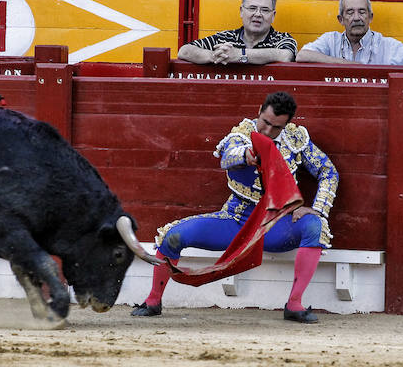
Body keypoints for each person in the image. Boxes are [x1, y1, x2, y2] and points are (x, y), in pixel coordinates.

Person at [129, 90, 338, 324]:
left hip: (276, 224)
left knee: (315, 226)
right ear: (259, 111)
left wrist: (318, 208)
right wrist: (246, 155)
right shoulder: (242, 135)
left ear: (287, 124)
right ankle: (153, 300)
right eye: (265, 123)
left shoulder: (296, 139)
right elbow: (227, 157)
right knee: (173, 236)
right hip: (237, 220)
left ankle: (294, 304)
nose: (267, 131)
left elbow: (328, 171)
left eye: (276, 127)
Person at [177, 0, 297, 64]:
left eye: (265, 10)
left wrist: (239, 55)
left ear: (273, 15)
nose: (258, 14)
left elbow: (285, 55)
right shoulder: (225, 38)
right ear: (241, 11)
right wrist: (214, 56)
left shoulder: (282, 39)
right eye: (252, 8)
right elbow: (184, 51)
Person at [297, 0, 403, 65]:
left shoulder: (390, 46)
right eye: (350, 12)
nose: (356, 18)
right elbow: (302, 56)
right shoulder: (330, 40)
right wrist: (348, 64)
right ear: (341, 19)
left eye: (362, 12)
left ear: (370, 17)